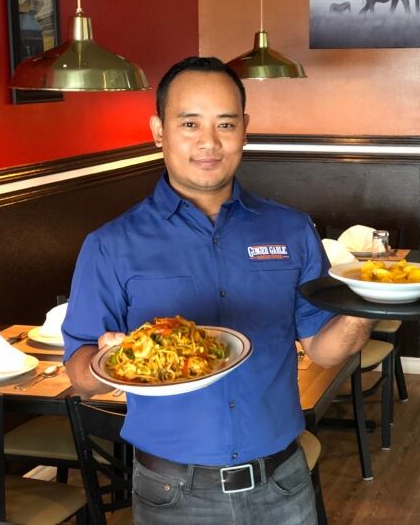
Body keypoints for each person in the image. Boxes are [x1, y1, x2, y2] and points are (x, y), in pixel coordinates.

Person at [63, 56, 374, 525]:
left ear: (245, 130)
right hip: (172, 493)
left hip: (282, 484)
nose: (209, 142)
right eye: (189, 123)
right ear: (158, 131)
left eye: (225, 123)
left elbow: (324, 350)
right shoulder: (110, 245)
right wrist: (110, 360)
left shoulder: (291, 230)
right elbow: (80, 372)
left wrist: (364, 305)